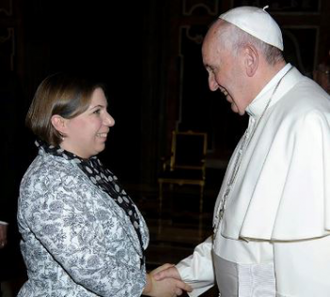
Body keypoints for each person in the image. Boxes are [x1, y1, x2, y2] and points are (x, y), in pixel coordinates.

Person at [154, 6, 330, 297]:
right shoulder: (265, 113)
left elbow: (311, 271)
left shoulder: (307, 119)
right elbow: (240, 240)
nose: (211, 85)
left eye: (213, 68)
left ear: (248, 58)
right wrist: (186, 273)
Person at [17, 73, 191, 297]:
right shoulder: (47, 182)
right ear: (60, 123)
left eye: (105, 110)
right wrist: (148, 285)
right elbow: (88, 265)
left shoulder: (85, 166)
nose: (110, 120)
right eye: (96, 111)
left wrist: (149, 277)